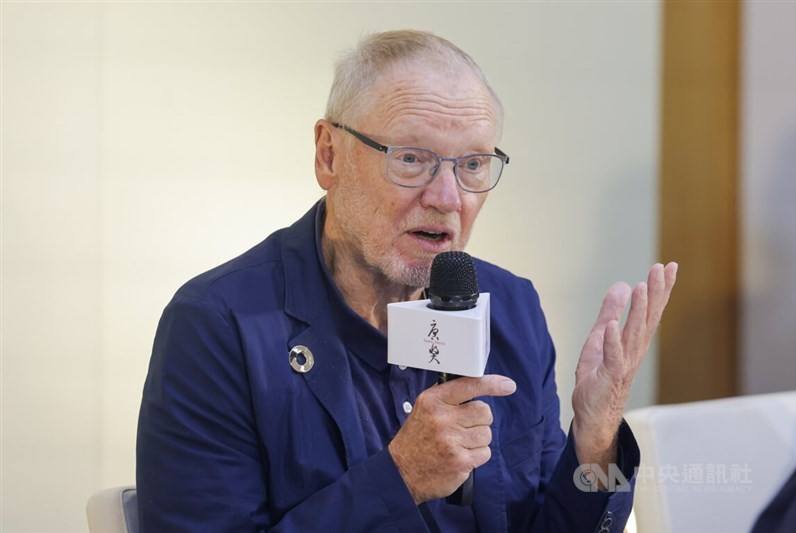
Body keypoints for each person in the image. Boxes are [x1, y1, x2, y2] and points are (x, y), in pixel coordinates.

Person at [136, 30, 678, 532]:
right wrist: (398, 479)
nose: (447, 198)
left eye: (472, 165)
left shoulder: (510, 307)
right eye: (412, 159)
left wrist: (595, 440)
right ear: (329, 156)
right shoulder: (220, 325)